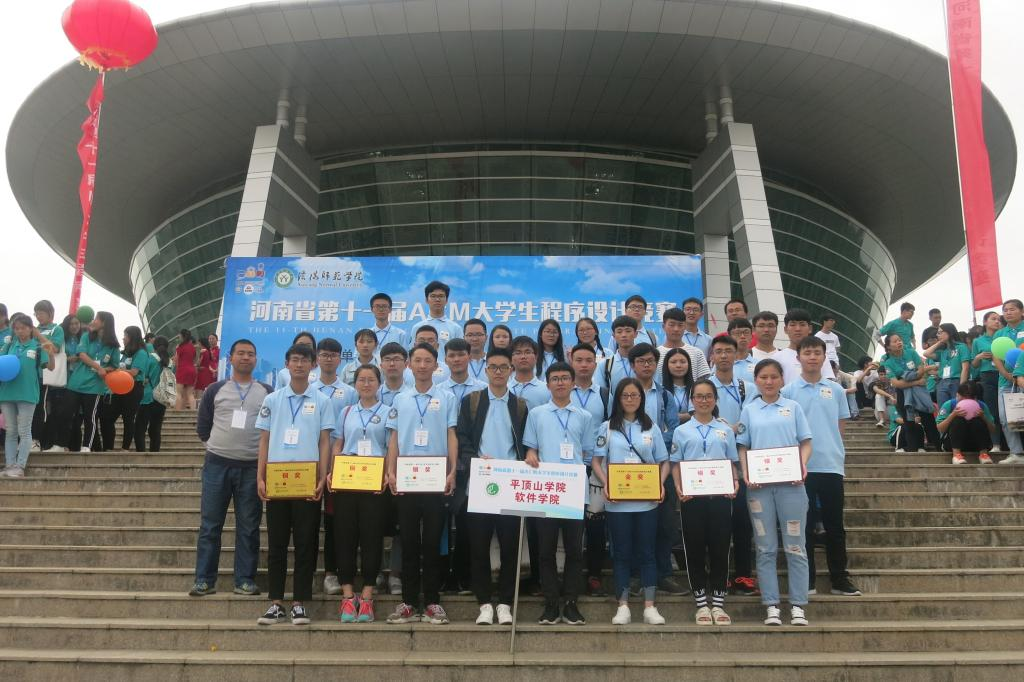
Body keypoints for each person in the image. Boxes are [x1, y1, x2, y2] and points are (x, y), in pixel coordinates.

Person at [255, 343, 333, 625]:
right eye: (295, 360)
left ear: (313, 365)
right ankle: (276, 602)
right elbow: (264, 440)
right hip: (277, 481)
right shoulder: (272, 399)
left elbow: (325, 441)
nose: (299, 365)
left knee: (305, 543)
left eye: (304, 360)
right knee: (276, 544)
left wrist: (322, 476)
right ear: (287, 364)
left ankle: (300, 602)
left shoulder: (322, 401)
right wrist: (260, 476)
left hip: (307, 481)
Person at [189, 338, 272, 597]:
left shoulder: (267, 392)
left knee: (249, 526)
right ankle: (204, 579)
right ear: (231, 357)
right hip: (217, 465)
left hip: (252, 468)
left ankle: (245, 579)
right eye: (241, 353)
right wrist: (220, 447)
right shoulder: (215, 389)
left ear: (256, 359)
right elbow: (203, 427)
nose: (246, 358)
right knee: (210, 525)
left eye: (251, 354)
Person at [385, 343, 459, 626]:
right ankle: (407, 602)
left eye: (428, 361)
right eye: (417, 360)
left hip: (435, 479)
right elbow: (394, 439)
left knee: (432, 542)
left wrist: (452, 472)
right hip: (406, 480)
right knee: (409, 542)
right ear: (409, 365)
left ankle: (431, 602)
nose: (422, 365)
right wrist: (390, 472)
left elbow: (451, 435)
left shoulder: (447, 397)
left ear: (436, 366)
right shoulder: (400, 399)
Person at [455, 346, 529, 625]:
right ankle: (484, 602)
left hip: (510, 484)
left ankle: (506, 603)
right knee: (479, 546)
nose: (498, 372)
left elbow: (526, 443)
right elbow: (462, 438)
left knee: (510, 547)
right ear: (485, 370)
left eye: (504, 367)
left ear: (511, 370)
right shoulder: (472, 401)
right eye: (493, 367)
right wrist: (474, 459)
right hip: (480, 482)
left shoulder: (520, 406)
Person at [781, 336, 860, 597]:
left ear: (824, 357)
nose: (812, 357)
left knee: (835, 525)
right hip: (801, 467)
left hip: (831, 466)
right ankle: (807, 580)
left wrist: (834, 451)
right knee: (803, 527)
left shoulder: (836, 390)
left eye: (817, 352)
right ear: (799, 357)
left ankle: (840, 579)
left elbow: (840, 426)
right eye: (808, 353)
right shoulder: (788, 391)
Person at [736, 358, 813, 627]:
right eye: (763, 377)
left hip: (792, 487)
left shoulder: (793, 408)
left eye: (774, 377)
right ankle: (771, 605)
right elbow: (743, 446)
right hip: (759, 490)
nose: (768, 382)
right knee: (765, 547)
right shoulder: (749, 410)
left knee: (795, 546)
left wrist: (801, 465)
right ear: (756, 380)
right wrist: (747, 473)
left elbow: (806, 442)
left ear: (782, 379)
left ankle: (798, 605)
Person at [523, 362, 596, 626]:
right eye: (555, 378)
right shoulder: (537, 414)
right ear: (548, 384)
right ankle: (551, 604)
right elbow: (531, 448)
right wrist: (531, 455)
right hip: (547, 490)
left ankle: (571, 603)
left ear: (573, 383)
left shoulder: (584, 416)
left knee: (575, 550)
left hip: (574, 490)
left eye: (565, 378)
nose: (560, 382)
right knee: (545, 550)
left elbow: (586, 453)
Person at [592, 378, 669, 626]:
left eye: (635, 395)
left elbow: (664, 461)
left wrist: (660, 484)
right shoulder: (607, 428)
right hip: (618, 502)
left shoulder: (651, 427)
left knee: (647, 553)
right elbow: (596, 461)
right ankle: (623, 605)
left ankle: (650, 606)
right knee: (622, 553)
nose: (630, 399)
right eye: (625, 395)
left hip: (647, 502)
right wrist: (606, 482)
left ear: (641, 399)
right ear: (618, 399)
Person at [670, 379, 739, 625]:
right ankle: (701, 603)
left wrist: (734, 482)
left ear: (715, 399)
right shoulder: (682, 431)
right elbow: (676, 463)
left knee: (720, 548)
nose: (704, 400)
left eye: (708, 396)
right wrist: (678, 487)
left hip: (720, 498)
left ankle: (718, 603)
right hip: (692, 498)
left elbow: (731, 462)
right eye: (699, 396)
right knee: (695, 548)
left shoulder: (725, 430)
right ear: (692, 400)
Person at [328, 364, 390, 623]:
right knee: (345, 537)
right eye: (361, 380)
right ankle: (347, 595)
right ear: (355, 384)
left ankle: (366, 596)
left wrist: (388, 473)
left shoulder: (388, 412)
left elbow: (390, 446)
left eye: (371, 380)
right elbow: (339, 443)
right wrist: (332, 471)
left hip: (374, 481)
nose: (366, 384)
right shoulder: (346, 412)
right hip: (347, 480)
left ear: (379, 383)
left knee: (372, 538)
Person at [629, 343, 684, 595]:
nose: (646, 365)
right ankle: (636, 576)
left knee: (665, 523)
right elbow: (615, 424)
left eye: (650, 361)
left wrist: (652, 441)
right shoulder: (624, 393)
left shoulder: (665, 396)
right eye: (641, 361)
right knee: (634, 523)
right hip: (630, 467)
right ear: (633, 365)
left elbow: (674, 428)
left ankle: (663, 574)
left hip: (661, 466)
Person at [706, 334, 758, 597]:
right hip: (713, 463)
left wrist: (731, 428)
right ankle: (720, 575)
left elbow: (751, 420)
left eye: (728, 351)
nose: (724, 356)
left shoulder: (747, 387)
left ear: (737, 355)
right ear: (712, 356)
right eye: (719, 351)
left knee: (742, 520)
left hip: (741, 461)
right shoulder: (704, 386)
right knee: (716, 523)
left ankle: (743, 575)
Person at [436, 337, 486, 594]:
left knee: (468, 522)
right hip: (440, 464)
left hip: (472, 463)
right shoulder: (437, 390)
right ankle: (442, 574)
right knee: (440, 524)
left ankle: (464, 574)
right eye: (451, 355)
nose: (456, 359)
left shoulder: (482, 390)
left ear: (470, 356)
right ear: (445, 359)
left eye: (461, 355)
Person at [310, 338, 358, 597]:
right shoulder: (309, 389)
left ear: (341, 359)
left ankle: (340, 572)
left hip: (341, 467)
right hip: (312, 463)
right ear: (317, 358)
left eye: (333, 355)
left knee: (338, 521)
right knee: (317, 522)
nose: (328, 359)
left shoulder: (349, 392)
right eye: (324, 355)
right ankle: (325, 573)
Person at [569, 343, 610, 596]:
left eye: (588, 360)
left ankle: (594, 574)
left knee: (596, 524)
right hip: (569, 466)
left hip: (596, 466)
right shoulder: (562, 390)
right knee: (571, 523)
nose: (584, 365)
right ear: (571, 362)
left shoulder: (604, 394)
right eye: (579, 360)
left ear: (596, 364)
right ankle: (570, 575)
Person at [55, 311, 120, 453]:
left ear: (104, 323)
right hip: (76, 383)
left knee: (90, 417)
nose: (93, 321)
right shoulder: (86, 336)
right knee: (66, 414)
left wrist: (104, 369)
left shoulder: (113, 346)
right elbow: (82, 355)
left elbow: (114, 366)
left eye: (97, 319)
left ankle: (86, 446)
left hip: (94, 386)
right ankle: (60, 444)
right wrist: (99, 367)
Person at [0, 313, 56, 477]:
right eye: (17, 328)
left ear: (31, 328)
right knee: (11, 431)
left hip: (27, 394)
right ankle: (9, 465)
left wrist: (51, 354)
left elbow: (51, 367)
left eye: (23, 328)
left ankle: (20, 466)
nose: (20, 331)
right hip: (7, 393)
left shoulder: (37, 347)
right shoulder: (10, 345)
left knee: (24, 431)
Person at [881, 333, 940, 450]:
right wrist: (916, 381)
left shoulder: (911, 353)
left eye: (899, 340)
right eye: (895, 341)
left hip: (919, 392)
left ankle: (938, 446)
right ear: (888, 346)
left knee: (928, 419)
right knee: (909, 423)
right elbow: (896, 383)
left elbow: (921, 369)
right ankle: (912, 449)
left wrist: (909, 378)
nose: (899, 342)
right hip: (903, 394)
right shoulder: (888, 363)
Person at [101, 325, 147, 451]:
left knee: (128, 418)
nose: (123, 338)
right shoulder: (125, 353)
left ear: (132, 337)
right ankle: (108, 447)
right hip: (119, 388)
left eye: (125, 336)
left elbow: (134, 372)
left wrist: (116, 370)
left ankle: (125, 448)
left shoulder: (141, 353)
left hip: (134, 388)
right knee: (107, 417)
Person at [31, 300, 65, 452]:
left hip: (45, 374)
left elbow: (55, 348)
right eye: (36, 313)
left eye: (41, 313)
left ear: (50, 313)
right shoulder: (33, 329)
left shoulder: (56, 329)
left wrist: (38, 335)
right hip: (29, 374)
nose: (38, 316)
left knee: (40, 407)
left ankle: (37, 440)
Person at [993, 299, 1024, 464]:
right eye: (1005, 310)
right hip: (1006, 381)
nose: (1008, 312)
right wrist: (1005, 374)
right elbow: (996, 356)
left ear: (1022, 311)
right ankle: (1016, 453)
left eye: (1012, 309)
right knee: (1006, 417)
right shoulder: (1000, 333)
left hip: (1023, 378)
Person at [936, 382, 995, 464]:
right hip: (952, 444)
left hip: (975, 444)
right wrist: (953, 415)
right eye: (963, 398)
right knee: (958, 420)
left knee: (977, 421)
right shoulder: (949, 404)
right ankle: (956, 455)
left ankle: (984, 455)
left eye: (970, 399)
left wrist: (983, 417)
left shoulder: (981, 406)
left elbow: (992, 430)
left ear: (975, 398)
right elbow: (940, 429)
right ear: (957, 395)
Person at [774, 309, 835, 384]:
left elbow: (828, 384)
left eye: (802, 324)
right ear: (785, 329)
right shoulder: (777, 358)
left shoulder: (819, 357)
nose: (798, 329)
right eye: (793, 325)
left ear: (810, 329)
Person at [972, 312, 1004, 450]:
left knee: (1008, 410)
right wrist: (978, 357)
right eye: (993, 319)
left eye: (999, 319)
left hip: (1004, 375)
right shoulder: (977, 341)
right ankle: (996, 444)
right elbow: (974, 365)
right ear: (985, 322)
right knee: (992, 411)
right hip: (987, 376)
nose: (997, 321)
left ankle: (1011, 444)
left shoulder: (1004, 336)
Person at [656, 307, 711, 381]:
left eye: (680, 325)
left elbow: (704, 382)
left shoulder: (697, 353)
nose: (676, 329)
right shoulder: (655, 354)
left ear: (685, 327)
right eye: (672, 325)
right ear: (663, 326)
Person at [135, 335, 169, 452]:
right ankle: (155, 453)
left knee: (140, 428)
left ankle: (141, 454)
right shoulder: (169, 362)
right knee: (156, 429)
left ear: (154, 346)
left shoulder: (150, 359)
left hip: (148, 397)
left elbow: (142, 375)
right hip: (162, 398)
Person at [922, 323, 969, 407]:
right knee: (943, 409)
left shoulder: (961, 347)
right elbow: (926, 353)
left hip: (956, 381)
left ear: (949, 332)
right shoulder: (942, 351)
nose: (937, 335)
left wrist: (962, 388)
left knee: (958, 407)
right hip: (942, 382)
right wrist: (939, 343)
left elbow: (965, 369)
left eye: (940, 332)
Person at [409, 281, 462, 352]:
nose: (437, 299)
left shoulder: (455, 328)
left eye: (441, 296)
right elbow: (412, 352)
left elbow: (460, 353)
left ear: (446, 300)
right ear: (426, 300)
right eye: (433, 296)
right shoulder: (417, 327)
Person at [596, 315, 638, 394]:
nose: (624, 335)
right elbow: (600, 394)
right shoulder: (605, 365)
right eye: (619, 331)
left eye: (628, 331)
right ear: (613, 336)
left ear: (636, 334)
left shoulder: (645, 363)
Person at [508, 336, 551, 409]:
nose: (523, 357)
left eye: (527, 352)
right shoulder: (505, 390)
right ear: (511, 359)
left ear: (536, 357)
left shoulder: (547, 390)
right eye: (518, 353)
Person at [661, 347, 694, 426]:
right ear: (666, 365)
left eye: (683, 362)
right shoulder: (660, 389)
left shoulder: (697, 388)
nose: (678, 365)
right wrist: (689, 416)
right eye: (673, 362)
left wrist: (673, 416)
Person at [174, 329, 198, 410]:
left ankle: (177, 413)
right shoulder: (192, 347)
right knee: (190, 394)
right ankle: (193, 412)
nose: (178, 337)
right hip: (192, 370)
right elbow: (195, 360)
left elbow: (176, 360)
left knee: (179, 393)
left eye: (179, 335)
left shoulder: (180, 347)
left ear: (182, 336)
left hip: (182, 369)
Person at [728, 318, 756, 384]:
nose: (742, 336)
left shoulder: (759, 364)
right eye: (737, 333)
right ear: (729, 337)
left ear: (751, 336)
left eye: (746, 332)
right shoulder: (721, 364)